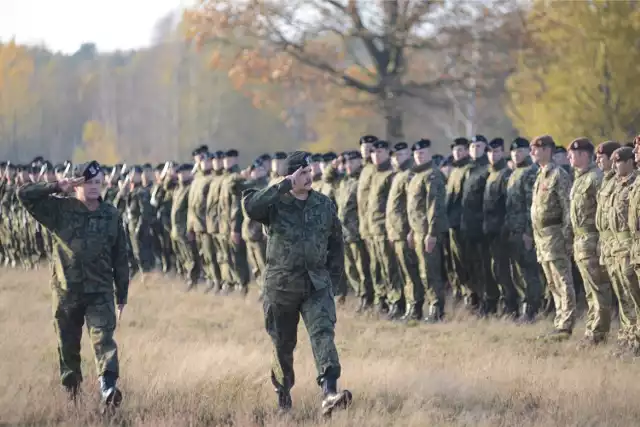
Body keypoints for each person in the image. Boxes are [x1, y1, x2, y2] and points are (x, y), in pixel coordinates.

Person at [242, 151, 352, 416]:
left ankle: (329, 391)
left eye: (309, 171)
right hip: (281, 286)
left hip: (316, 285)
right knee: (283, 344)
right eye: (302, 172)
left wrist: (333, 279)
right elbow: (250, 207)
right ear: (290, 175)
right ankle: (283, 397)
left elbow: (336, 243)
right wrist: (282, 185)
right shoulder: (275, 204)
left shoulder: (323, 204)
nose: (308, 176)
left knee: (323, 334)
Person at [17, 160, 129, 410]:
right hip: (67, 292)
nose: (93, 188)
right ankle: (73, 395)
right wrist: (58, 186)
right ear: (77, 183)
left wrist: (122, 294)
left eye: (98, 183)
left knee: (104, 340)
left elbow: (120, 255)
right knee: (68, 345)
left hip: (100, 292)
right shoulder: (60, 210)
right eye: (88, 182)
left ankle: (108, 389)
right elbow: (23, 195)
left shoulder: (111, 214)